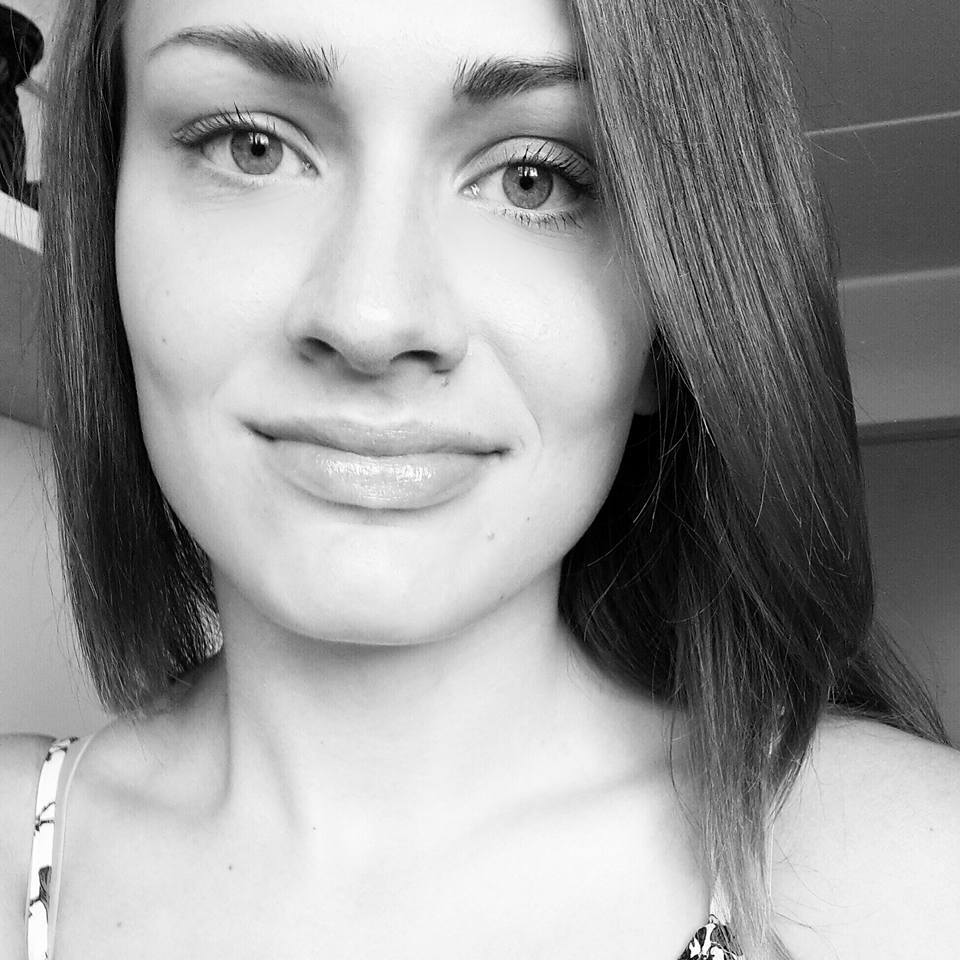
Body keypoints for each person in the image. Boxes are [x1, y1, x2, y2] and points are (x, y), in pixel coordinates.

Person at [1, 0, 957, 957]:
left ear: (675, 309)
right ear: (105, 229)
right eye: (252, 147)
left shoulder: (916, 880)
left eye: (532, 179)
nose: (372, 319)